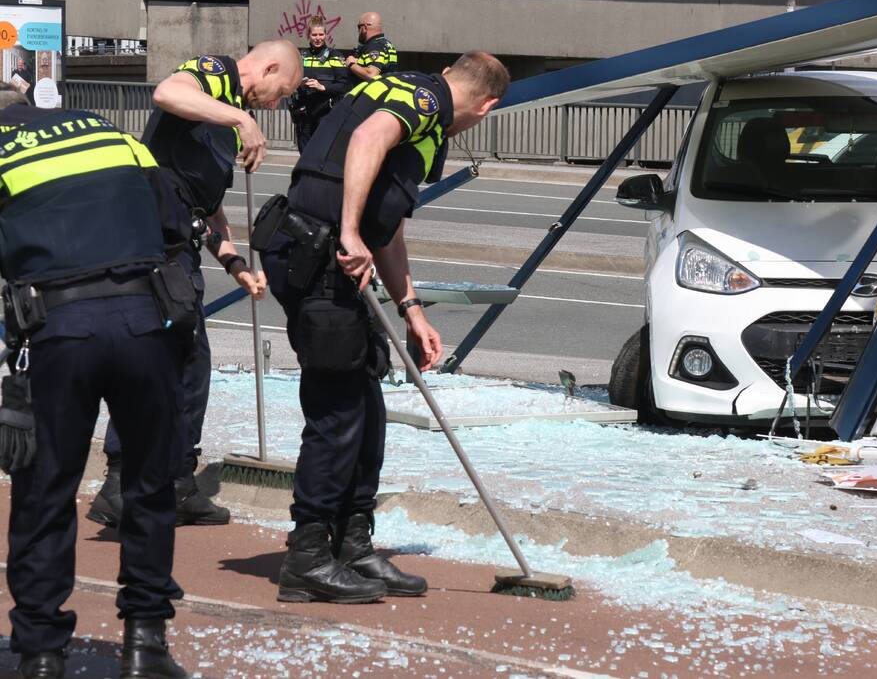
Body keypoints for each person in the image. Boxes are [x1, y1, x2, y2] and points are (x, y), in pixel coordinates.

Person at [260, 51, 509, 603]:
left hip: (335, 262)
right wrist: (349, 231)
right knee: (338, 412)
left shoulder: (413, 100)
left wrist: (411, 309)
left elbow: (387, 224)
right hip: (320, 258)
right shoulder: (423, 102)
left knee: (366, 408)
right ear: (487, 107)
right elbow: (368, 140)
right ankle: (307, 558)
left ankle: (352, 544)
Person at [0, 84, 194, 678]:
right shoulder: (106, 130)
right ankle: (144, 643)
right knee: (150, 481)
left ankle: (39, 653)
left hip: (59, 329)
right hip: (145, 320)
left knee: (45, 489)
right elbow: (173, 220)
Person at [86, 40, 303, 530]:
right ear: (267, 68)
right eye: (280, 91)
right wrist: (240, 119)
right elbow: (166, 92)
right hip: (148, 242)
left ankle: (167, 482)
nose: (275, 104)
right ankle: (130, 485)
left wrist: (235, 263)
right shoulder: (214, 76)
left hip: (178, 241)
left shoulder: (225, 122)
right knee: (165, 360)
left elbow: (205, 206)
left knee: (182, 362)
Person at [290, 16, 349, 153]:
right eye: (314, 34)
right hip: (304, 113)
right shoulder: (301, 56)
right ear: (308, 36)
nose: (318, 38)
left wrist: (323, 87)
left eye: (321, 34)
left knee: (322, 153)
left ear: (326, 34)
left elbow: (344, 86)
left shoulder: (335, 56)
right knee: (304, 154)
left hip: (325, 113)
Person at [344, 12, 399, 83]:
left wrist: (351, 64)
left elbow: (371, 74)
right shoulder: (386, 43)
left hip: (374, 92)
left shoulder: (375, 46)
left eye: (359, 27)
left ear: (365, 27)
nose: (358, 31)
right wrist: (359, 63)